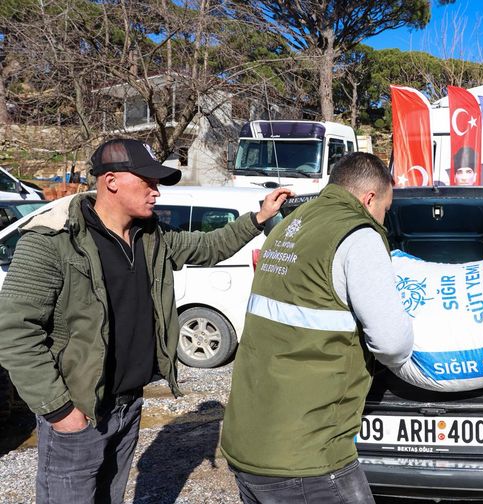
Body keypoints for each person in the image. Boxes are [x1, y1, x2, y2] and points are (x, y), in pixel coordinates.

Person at [0, 138, 291, 504]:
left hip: (128, 406)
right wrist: (60, 411)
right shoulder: (53, 240)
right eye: (148, 181)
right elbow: (13, 331)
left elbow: (208, 247)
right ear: (111, 181)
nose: (156, 192)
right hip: (78, 412)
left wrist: (259, 218)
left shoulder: (151, 236)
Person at [220, 152, 414, 504]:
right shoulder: (358, 235)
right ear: (369, 198)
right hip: (307, 457)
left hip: (250, 441)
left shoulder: (291, 226)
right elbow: (393, 343)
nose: (384, 220)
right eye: (386, 209)